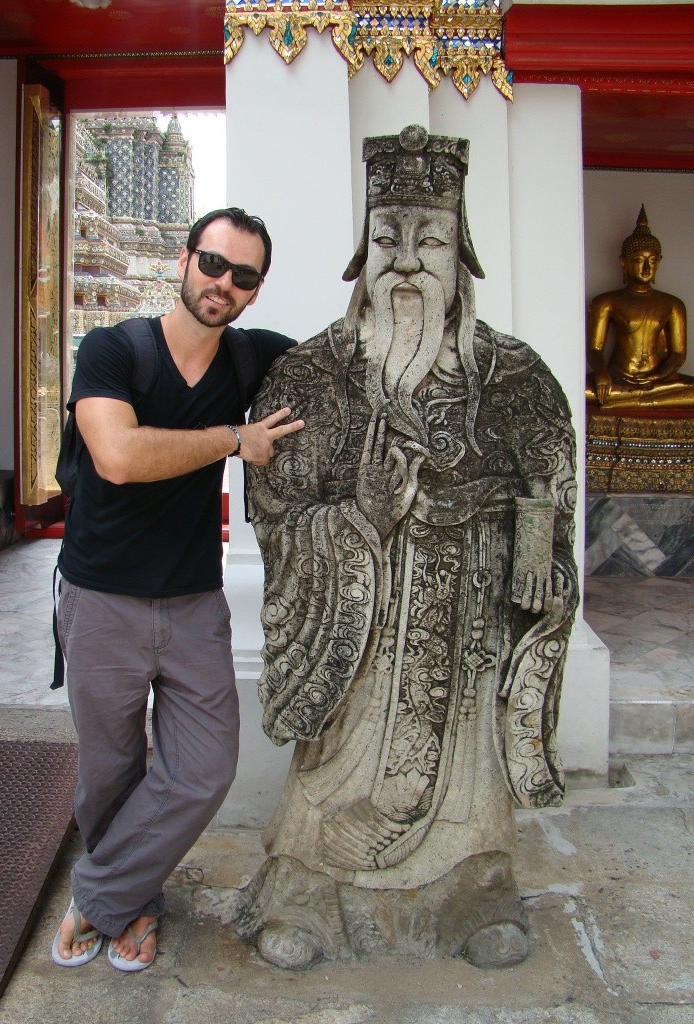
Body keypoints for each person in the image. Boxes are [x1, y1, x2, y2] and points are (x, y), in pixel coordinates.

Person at [239, 127, 578, 970]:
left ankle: (473, 894)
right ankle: (307, 896)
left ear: (460, 255)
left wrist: (537, 550)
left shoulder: (514, 376)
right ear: (364, 251)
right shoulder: (310, 375)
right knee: (335, 772)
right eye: (387, 237)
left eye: (429, 240)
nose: (406, 260)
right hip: (359, 624)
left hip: (466, 627)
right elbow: (276, 506)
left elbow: (549, 482)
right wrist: (360, 517)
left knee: (466, 778)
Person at [52, 207, 304, 971]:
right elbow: (118, 456)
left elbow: (345, 366)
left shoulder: (252, 359)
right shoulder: (112, 349)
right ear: (186, 260)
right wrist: (233, 439)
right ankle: (134, 903)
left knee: (203, 769)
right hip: (101, 596)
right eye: (214, 263)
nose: (224, 283)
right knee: (111, 772)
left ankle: (97, 896)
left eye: (244, 275)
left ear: (256, 291)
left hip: (193, 599)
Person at [586, 205, 694, 412]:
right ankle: (637, 399)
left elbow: (678, 354)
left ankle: (631, 400)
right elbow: (594, 349)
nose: (646, 268)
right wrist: (601, 373)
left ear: (659, 263)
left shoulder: (673, 304)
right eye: (638, 260)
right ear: (624, 263)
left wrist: (657, 376)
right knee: (580, 390)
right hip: (618, 377)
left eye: (652, 261)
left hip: (658, 380)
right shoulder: (607, 301)